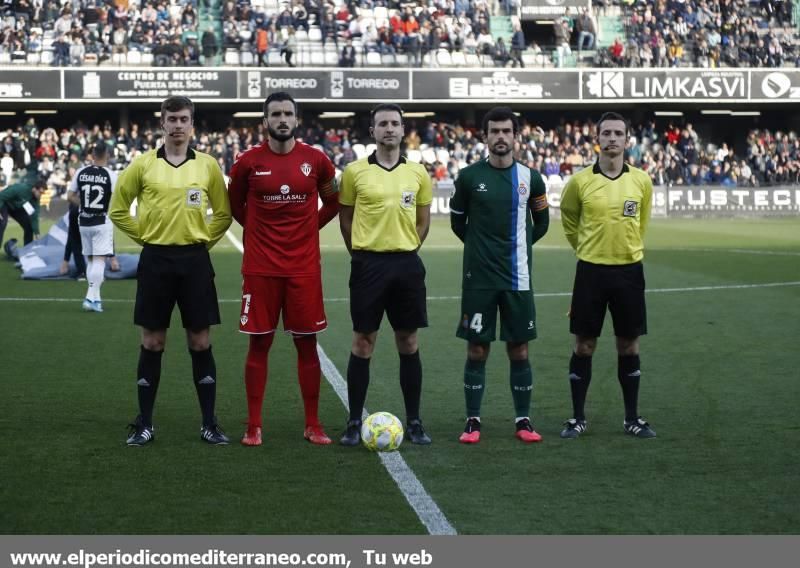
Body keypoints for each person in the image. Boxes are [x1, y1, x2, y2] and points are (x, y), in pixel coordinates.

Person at [109, 96, 232, 447]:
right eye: (172, 119)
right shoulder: (142, 165)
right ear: (161, 123)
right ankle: (145, 423)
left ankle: (209, 423)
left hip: (194, 261)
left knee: (200, 340)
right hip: (156, 260)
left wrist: (201, 243)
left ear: (192, 124)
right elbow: (118, 210)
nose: (178, 125)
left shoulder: (207, 166)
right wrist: (145, 237)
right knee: (152, 341)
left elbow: (223, 214)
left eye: (184, 119)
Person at [228, 92, 339, 447]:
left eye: (287, 113)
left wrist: (308, 230)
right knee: (259, 344)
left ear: (296, 120)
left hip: (303, 269)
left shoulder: (316, 160)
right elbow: (236, 208)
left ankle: (313, 423)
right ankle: (254, 425)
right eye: (274, 113)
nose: (281, 119)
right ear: (264, 121)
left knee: (307, 345)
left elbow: (334, 201)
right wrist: (261, 236)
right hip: (260, 268)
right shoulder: (247, 163)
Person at [449, 106, 549, 444]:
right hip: (478, 280)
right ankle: (473, 421)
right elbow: (457, 223)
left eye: (507, 131)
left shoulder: (532, 178)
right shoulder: (468, 178)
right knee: (477, 349)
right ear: (485, 136)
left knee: (518, 349)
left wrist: (520, 247)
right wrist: (480, 250)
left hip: (518, 278)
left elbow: (543, 222)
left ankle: (523, 420)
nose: (501, 137)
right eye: (495, 131)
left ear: (516, 136)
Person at [338, 103, 433, 446]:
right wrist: (361, 253)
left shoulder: (419, 174)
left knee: (408, 341)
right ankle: (352, 422)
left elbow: (424, 221)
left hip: (407, 266)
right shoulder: (354, 172)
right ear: (373, 131)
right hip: (368, 265)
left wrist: (407, 248)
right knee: (363, 342)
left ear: (403, 129)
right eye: (383, 124)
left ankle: (415, 421)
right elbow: (345, 219)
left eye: (395, 123)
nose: (389, 128)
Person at [559, 111, 655, 439]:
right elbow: (569, 221)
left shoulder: (641, 181)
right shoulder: (580, 182)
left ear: (627, 140)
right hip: (591, 271)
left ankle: (632, 418)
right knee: (584, 344)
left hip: (629, 272)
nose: (612, 138)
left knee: (628, 344)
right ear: (597, 140)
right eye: (606, 133)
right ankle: (577, 418)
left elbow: (641, 223)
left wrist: (626, 249)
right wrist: (586, 248)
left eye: (618, 133)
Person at [66, 143, 118, 312]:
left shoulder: (80, 172)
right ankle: (90, 297)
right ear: (107, 155)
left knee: (91, 260)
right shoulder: (111, 175)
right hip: (101, 221)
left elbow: (70, 196)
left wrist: (83, 205)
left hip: (84, 221)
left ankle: (96, 299)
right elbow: (118, 198)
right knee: (99, 260)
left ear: (92, 155)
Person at [0, 176, 45, 247]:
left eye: (42, 193)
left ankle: (27, 251)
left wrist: (37, 233)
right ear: (34, 189)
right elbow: (1, 196)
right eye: (40, 192)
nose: (41, 195)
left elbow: (34, 216)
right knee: (2, 223)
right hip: (4, 204)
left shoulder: (36, 200)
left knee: (29, 226)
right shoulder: (20, 189)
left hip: (17, 209)